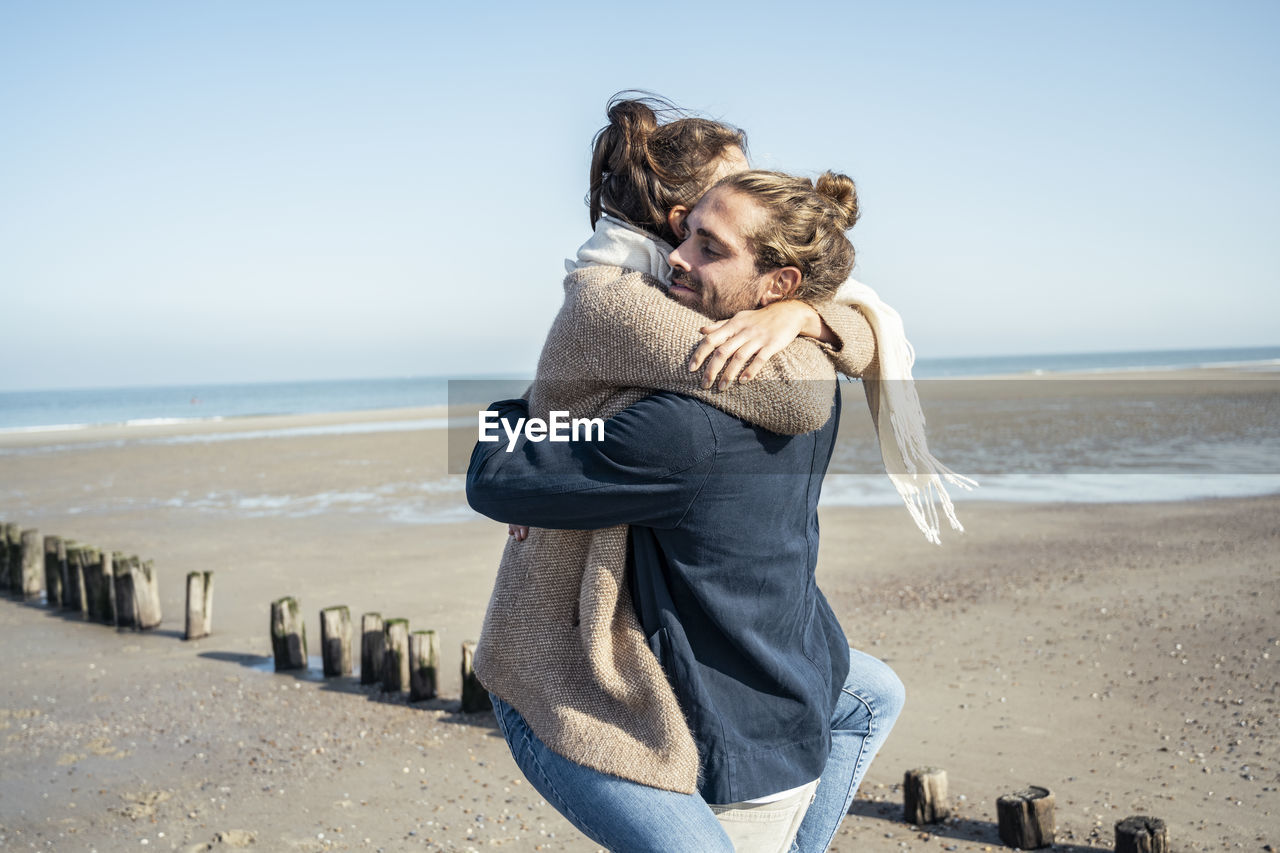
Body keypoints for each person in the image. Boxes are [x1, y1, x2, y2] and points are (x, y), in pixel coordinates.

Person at [470, 168, 907, 853]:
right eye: (683, 234)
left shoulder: (678, 431)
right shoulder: (817, 375)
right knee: (875, 692)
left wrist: (520, 413)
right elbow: (865, 325)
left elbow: (498, 475)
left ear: (778, 284)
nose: (676, 255)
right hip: (789, 670)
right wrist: (814, 318)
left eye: (710, 246)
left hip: (727, 717)